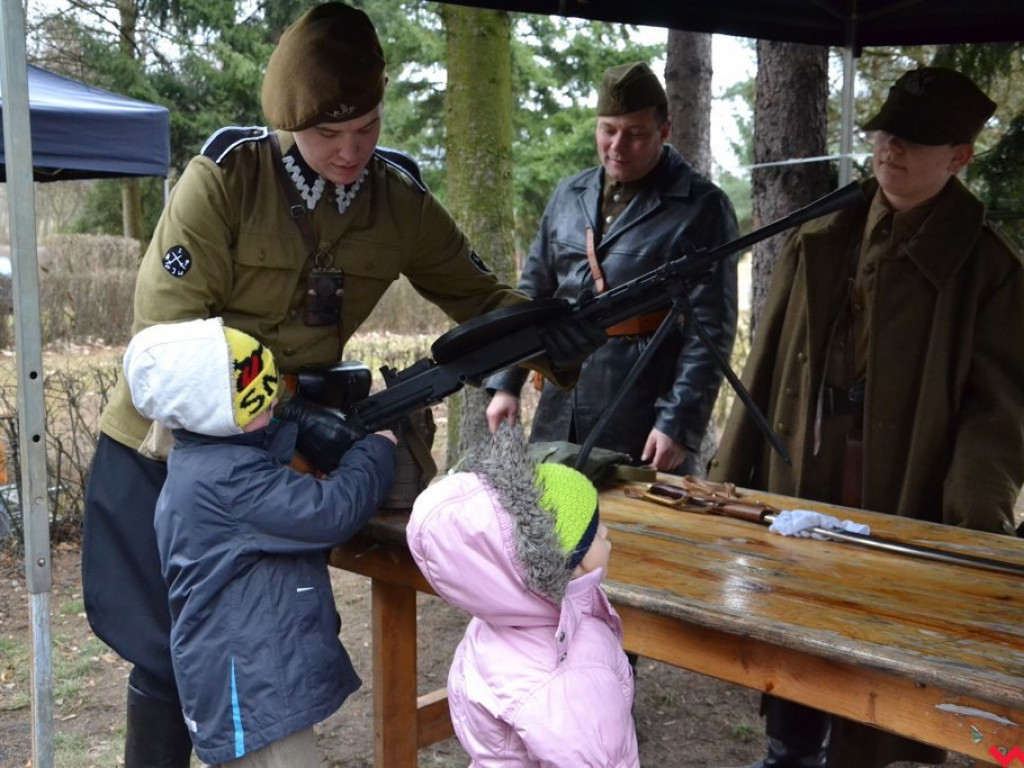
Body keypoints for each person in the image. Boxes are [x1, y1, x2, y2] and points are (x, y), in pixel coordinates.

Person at [80, 4, 601, 765]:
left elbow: (485, 301)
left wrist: (556, 335)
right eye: (330, 135)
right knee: (163, 650)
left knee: (252, 646)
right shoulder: (225, 180)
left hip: (274, 458)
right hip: (161, 452)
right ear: (290, 123)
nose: (352, 151)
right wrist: (282, 409)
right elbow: (165, 339)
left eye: (367, 128)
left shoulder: (398, 202)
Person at [710, 66, 1024, 768]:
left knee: (876, 675)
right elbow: (763, 368)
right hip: (804, 486)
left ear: (961, 156)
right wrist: (728, 481)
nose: (891, 149)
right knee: (793, 652)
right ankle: (788, 753)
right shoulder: (820, 239)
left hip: (901, 492)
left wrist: (975, 528)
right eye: (885, 133)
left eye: (914, 140)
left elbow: (999, 411)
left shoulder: (990, 271)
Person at [122, 317, 397, 766]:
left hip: (247, 678)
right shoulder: (231, 480)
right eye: (260, 407)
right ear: (212, 411)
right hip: (250, 691)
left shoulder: (205, 461)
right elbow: (331, 511)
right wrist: (378, 447)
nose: (273, 409)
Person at [486, 61, 739, 474]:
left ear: (664, 131)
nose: (617, 146)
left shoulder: (701, 206)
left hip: (642, 409)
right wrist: (505, 383)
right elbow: (531, 293)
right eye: (608, 130)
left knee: (637, 533)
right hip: (559, 404)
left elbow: (710, 330)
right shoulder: (570, 194)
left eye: (635, 134)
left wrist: (678, 423)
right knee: (549, 527)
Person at [406, 422, 639, 766]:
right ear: (573, 565)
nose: (609, 534)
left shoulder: (492, 627)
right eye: (596, 531)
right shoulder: (569, 676)